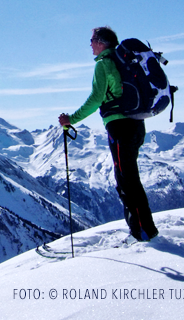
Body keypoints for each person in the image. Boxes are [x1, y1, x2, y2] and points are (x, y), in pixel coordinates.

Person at [58, 26, 159, 242]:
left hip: (120, 127)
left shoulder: (104, 64)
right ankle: (142, 231)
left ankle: (143, 233)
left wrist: (71, 119)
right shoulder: (124, 63)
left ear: (102, 42)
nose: (91, 44)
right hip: (136, 124)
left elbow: (96, 98)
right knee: (129, 178)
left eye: (93, 39)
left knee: (126, 181)